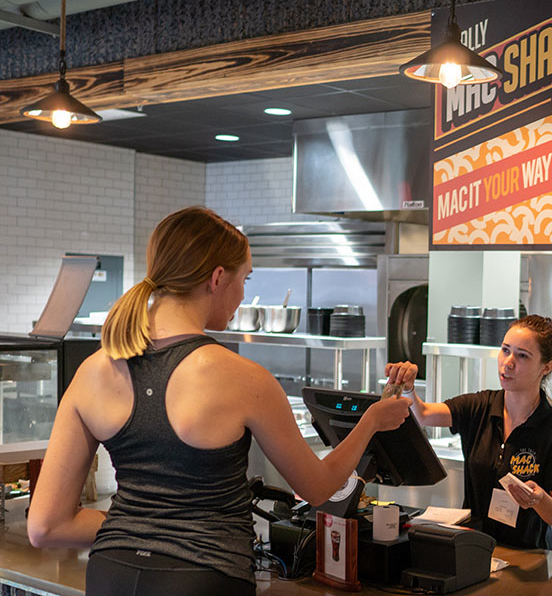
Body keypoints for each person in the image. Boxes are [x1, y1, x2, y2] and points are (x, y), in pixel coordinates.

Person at [27, 206, 411, 596]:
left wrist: (137, 528)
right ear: (216, 278)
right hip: (203, 579)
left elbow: (45, 526)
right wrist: (372, 422)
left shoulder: (94, 371)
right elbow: (318, 488)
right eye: (245, 278)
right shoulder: (242, 378)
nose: (243, 293)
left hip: (111, 575)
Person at [385, 315, 552, 550]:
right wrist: (408, 388)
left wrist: (539, 500)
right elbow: (423, 413)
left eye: (522, 355)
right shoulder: (480, 407)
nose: (508, 362)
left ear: (546, 367)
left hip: (528, 558)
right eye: (505, 350)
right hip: (474, 550)